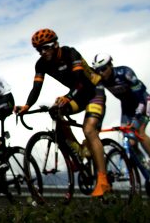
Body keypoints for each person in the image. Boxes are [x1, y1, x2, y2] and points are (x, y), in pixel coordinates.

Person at [14, 29, 111, 197]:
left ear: (56, 44)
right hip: (78, 95)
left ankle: (103, 181)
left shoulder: (70, 54)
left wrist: (67, 97)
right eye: (39, 50)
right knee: (54, 112)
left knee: (89, 130)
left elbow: (80, 81)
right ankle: (75, 151)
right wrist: (27, 106)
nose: (43, 52)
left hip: (95, 92)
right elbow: (36, 88)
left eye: (46, 47)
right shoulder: (41, 64)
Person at [90, 53, 150, 188]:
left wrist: (136, 119)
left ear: (111, 65)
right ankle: (145, 165)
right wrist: (97, 124)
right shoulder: (101, 80)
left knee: (139, 132)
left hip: (143, 102)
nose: (101, 72)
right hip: (127, 107)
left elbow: (141, 99)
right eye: (97, 70)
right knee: (130, 141)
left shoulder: (125, 73)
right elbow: (101, 102)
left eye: (104, 68)